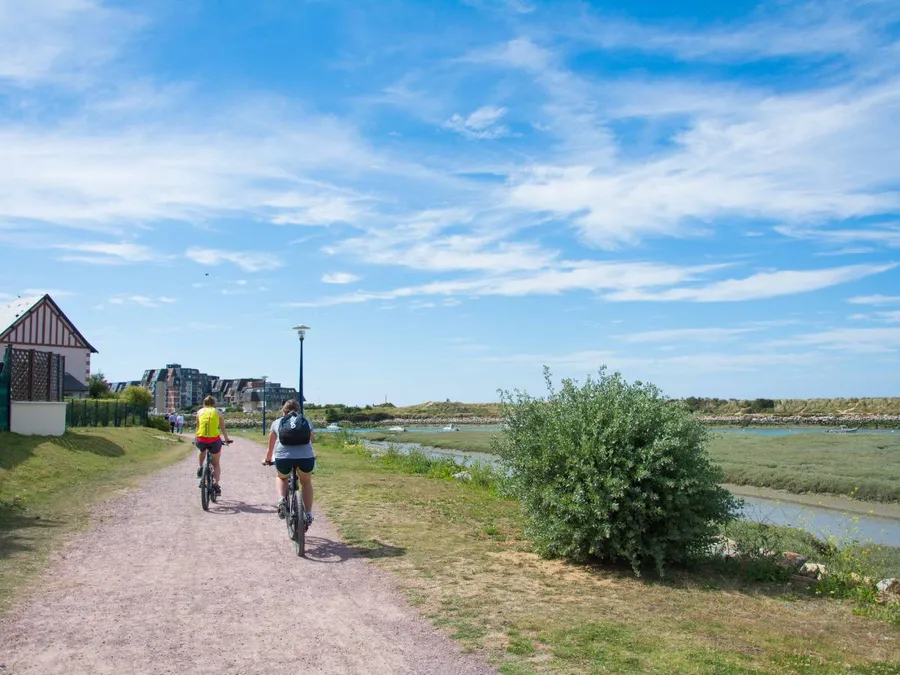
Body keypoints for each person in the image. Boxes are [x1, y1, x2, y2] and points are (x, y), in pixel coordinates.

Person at [263, 399, 315, 524]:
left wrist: (267, 458)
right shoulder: (306, 421)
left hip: (283, 457)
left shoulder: (277, 422)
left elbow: (270, 446)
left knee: (282, 477)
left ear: (283, 411)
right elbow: (311, 441)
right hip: (305, 457)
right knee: (306, 482)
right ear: (298, 410)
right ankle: (308, 514)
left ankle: (281, 500)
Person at [195, 396, 232, 496]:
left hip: (201, 439)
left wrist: (196, 439)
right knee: (216, 463)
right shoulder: (218, 412)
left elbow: (198, 427)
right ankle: (216, 484)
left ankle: (200, 468)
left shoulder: (199, 412)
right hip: (214, 440)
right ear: (214, 403)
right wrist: (227, 439)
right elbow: (223, 429)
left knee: (201, 450)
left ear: (204, 403)